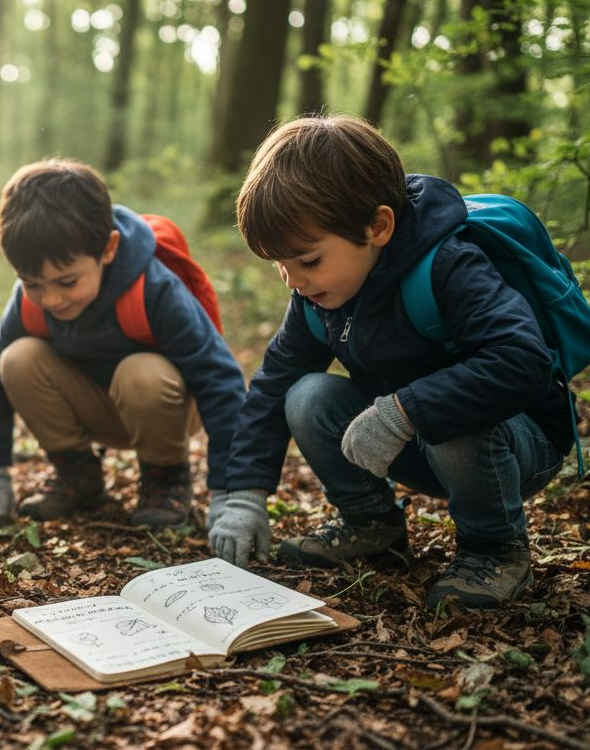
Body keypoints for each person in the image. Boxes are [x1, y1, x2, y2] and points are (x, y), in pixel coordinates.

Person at [209, 114, 570, 609]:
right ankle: (370, 523)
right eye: (280, 266)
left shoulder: (449, 268)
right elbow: (273, 384)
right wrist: (245, 492)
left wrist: (404, 410)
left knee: (455, 416)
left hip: (517, 446)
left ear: (377, 226)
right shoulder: (317, 298)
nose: (293, 282)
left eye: (308, 261)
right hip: (416, 441)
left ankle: (494, 549)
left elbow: (522, 360)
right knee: (307, 395)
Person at [0, 159, 246, 527]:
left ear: (109, 249)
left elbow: (220, 378)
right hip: (93, 405)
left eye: (67, 282)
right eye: (33, 283)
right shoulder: (28, 302)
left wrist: (231, 491)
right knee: (16, 359)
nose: (51, 299)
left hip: (165, 406)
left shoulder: (155, 290)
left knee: (140, 372)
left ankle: (166, 478)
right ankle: (77, 473)